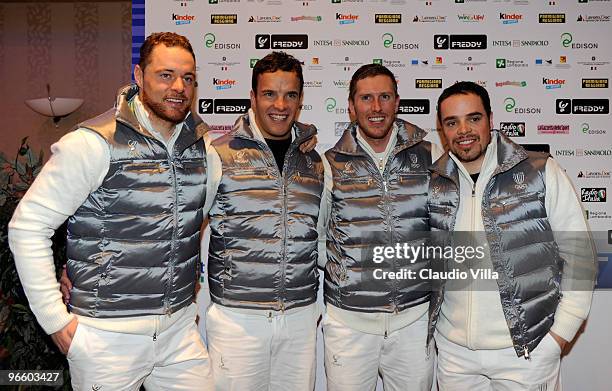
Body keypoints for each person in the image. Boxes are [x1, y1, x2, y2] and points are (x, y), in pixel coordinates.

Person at [9, 32, 213, 390]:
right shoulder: (92, 142)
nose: (178, 86)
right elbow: (27, 227)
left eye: (188, 78)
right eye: (165, 75)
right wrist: (56, 321)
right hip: (107, 338)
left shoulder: (200, 146)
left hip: (179, 330)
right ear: (138, 76)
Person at [428, 81, 596, 390]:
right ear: (442, 129)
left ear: (491, 120)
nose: (463, 130)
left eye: (473, 118)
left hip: (527, 352)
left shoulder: (539, 171)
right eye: (452, 122)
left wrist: (558, 338)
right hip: (455, 357)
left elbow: (580, 256)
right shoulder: (435, 181)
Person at [203, 51, 323, 390]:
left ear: (300, 100)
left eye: (290, 95)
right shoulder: (220, 154)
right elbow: (183, 228)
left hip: (300, 317)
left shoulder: (312, 161)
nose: (280, 105)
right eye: (270, 93)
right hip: (238, 318)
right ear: (253, 97)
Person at [318, 63, 443, 391]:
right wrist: (344, 273)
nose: (376, 108)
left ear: (397, 101)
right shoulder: (330, 163)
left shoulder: (430, 155)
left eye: (384, 97)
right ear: (351, 106)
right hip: (349, 322)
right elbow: (316, 234)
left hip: (414, 320)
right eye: (366, 98)